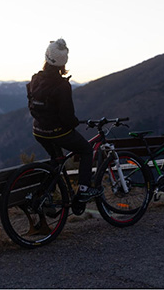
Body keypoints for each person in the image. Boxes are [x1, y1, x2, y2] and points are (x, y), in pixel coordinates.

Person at [26, 38, 103, 202]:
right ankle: (84, 189)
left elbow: (31, 105)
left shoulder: (34, 79)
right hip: (57, 133)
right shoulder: (62, 86)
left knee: (56, 160)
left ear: (46, 57)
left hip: (38, 131)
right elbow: (67, 117)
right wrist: (75, 122)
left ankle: (47, 194)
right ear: (63, 63)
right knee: (86, 150)